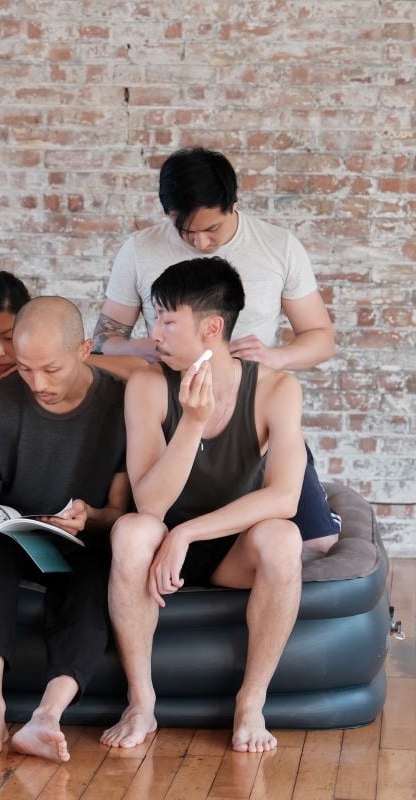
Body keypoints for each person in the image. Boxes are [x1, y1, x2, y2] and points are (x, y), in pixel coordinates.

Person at [101, 257, 306, 754]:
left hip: (226, 551)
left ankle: (250, 704)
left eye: (168, 321)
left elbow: (285, 496)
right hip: (158, 553)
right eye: (155, 320)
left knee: (284, 536)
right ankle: (141, 701)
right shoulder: (148, 385)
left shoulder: (277, 388)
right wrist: (192, 423)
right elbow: (149, 503)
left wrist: (188, 533)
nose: (156, 335)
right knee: (131, 530)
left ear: (212, 327)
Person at [93, 147, 339, 551]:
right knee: (149, 524)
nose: (201, 242)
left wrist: (275, 358)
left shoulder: (278, 247)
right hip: (172, 413)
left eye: (212, 229)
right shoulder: (139, 250)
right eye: (186, 231)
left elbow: (320, 337)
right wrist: (146, 345)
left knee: (318, 544)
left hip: (246, 413)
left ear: (233, 205)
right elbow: (102, 340)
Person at [0, 296, 130, 763]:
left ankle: (48, 715)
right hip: (15, 540)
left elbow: (120, 510)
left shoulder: (122, 403)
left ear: (84, 350)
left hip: (82, 542)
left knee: (93, 583)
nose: (37, 384)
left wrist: (93, 514)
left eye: (51, 369)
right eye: (25, 369)